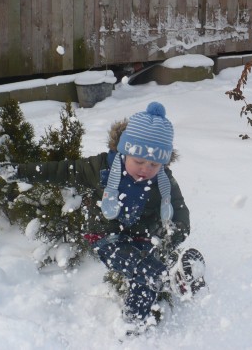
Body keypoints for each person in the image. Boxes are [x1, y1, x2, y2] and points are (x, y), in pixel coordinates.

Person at [15, 102, 205, 331]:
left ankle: (133, 324)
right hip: (106, 237)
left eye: (154, 164)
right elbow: (62, 171)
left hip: (144, 237)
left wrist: (177, 230)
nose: (146, 168)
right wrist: (20, 172)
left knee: (144, 275)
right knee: (142, 265)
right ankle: (169, 279)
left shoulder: (163, 180)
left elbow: (178, 207)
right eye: (139, 161)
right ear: (124, 151)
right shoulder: (101, 168)